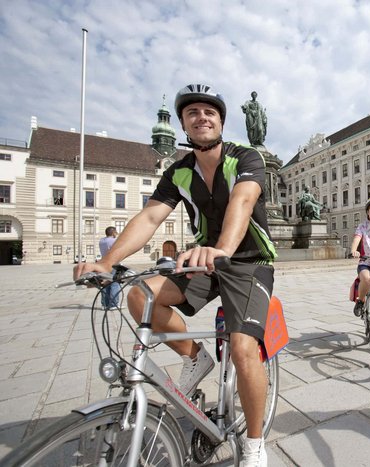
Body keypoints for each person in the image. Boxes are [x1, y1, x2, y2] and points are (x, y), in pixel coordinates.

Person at [74, 83, 277, 466]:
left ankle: (253, 443)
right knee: (139, 294)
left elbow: (244, 199)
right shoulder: (179, 171)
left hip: (248, 262)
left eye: (209, 112)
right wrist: (106, 263)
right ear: (184, 125)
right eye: (193, 113)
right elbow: (151, 217)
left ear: (220, 122)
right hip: (203, 260)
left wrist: (222, 249)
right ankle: (195, 357)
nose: (202, 117)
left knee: (243, 347)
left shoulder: (245, 158)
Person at [98, 226, 120, 310]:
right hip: (112, 263)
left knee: (105, 284)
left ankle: (105, 304)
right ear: (113, 232)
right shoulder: (114, 241)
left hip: (103, 263)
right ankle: (113, 304)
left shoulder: (102, 241)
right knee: (115, 283)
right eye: (116, 232)